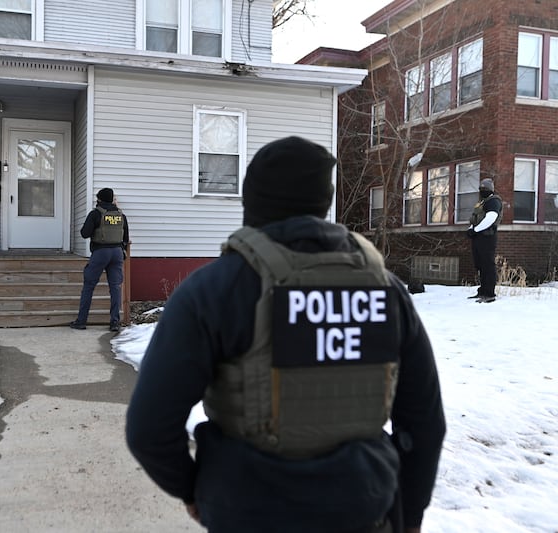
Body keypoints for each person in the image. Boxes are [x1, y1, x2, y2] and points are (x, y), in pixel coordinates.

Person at [126, 136, 446, 533]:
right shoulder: (386, 289)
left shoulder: (212, 290)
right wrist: (409, 515)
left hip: (247, 511)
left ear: (251, 200)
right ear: (323, 200)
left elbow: (149, 428)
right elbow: (424, 420)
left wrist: (194, 491)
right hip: (362, 509)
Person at [69, 187, 129, 332]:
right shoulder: (121, 215)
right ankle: (115, 322)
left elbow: (84, 233)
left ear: (100, 199)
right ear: (112, 199)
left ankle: (81, 321)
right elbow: (125, 237)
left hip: (101, 252)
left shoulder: (96, 213)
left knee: (89, 286)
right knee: (115, 287)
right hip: (117, 253)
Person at [466, 178, 502, 303]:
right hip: (478, 237)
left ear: (490, 190)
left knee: (487, 265)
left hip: (487, 237)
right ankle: (482, 291)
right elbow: (475, 218)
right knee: (480, 265)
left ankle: (489, 293)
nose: (482, 191)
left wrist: (476, 230)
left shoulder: (494, 201)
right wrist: (471, 229)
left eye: (485, 189)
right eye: (481, 189)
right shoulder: (481, 202)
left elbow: (491, 218)